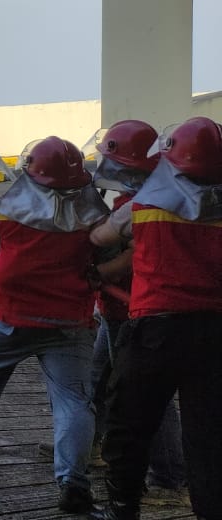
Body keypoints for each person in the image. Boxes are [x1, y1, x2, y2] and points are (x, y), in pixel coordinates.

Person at [0, 136, 108, 513]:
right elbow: (103, 256)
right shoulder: (97, 213)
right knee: (74, 401)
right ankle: (72, 480)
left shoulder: (7, 206)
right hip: (69, 323)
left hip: (12, 316)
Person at [88, 117, 222, 520]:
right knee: (210, 441)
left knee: (129, 421)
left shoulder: (145, 203)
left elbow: (100, 237)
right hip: (215, 333)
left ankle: (123, 513)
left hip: (155, 330)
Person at [85, 120, 185, 499]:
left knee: (144, 393)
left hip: (132, 310)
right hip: (119, 306)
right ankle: (87, 444)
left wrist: (96, 270)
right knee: (96, 378)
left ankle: (168, 473)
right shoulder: (165, 193)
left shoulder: (139, 204)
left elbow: (126, 253)